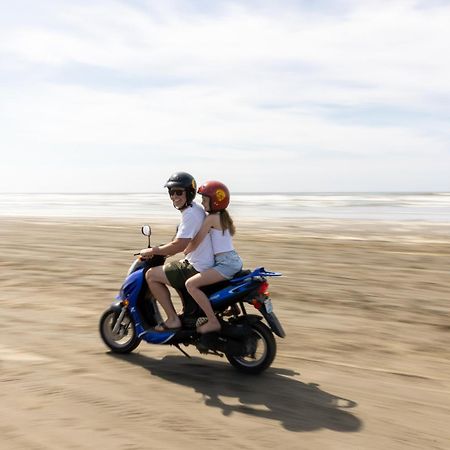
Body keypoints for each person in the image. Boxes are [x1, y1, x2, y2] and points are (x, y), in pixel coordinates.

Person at [139, 172, 214, 331]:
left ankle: (173, 320)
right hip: (202, 263)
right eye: (171, 192)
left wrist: (153, 250)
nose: (174, 196)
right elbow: (181, 240)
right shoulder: (195, 208)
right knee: (173, 270)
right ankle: (188, 312)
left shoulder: (191, 214)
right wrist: (163, 251)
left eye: (179, 192)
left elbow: (179, 245)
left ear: (189, 192)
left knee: (151, 275)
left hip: (198, 266)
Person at [184, 180, 243, 334]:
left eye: (204, 200)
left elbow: (198, 239)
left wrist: (186, 249)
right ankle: (231, 306)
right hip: (234, 260)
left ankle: (212, 321)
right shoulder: (223, 217)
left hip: (225, 264)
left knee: (191, 284)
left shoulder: (211, 218)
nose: (202, 203)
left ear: (215, 201)